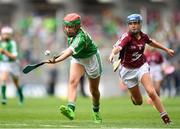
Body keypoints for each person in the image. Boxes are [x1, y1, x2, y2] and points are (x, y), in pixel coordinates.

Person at [109, 14, 174, 125]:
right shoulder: (127, 37)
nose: (133, 26)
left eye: (135, 23)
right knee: (138, 101)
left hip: (141, 67)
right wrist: (112, 54)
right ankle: (133, 95)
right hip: (127, 71)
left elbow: (152, 42)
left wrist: (166, 49)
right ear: (128, 25)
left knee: (151, 92)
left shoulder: (144, 36)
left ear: (140, 24)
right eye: (131, 24)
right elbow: (118, 48)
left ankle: (166, 119)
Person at [47, 13, 102, 123]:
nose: (67, 29)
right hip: (78, 59)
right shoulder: (71, 35)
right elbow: (68, 50)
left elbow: (69, 52)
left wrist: (56, 61)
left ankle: (96, 110)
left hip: (91, 60)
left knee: (94, 91)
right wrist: (57, 56)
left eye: (70, 27)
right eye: (66, 27)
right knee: (73, 81)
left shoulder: (81, 38)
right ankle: (71, 110)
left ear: (77, 26)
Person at [0, 26, 24, 105]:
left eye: (8, 34)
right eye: (4, 34)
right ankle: (4, 97)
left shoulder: (12, 43)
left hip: (13, 64)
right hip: (4, 63)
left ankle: (21, 95)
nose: (6, 35)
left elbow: (14, 57)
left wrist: (5, 52)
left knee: (16, 83)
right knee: (3, 79)